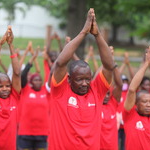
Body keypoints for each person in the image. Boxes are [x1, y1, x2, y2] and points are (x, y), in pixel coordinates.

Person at [48, 8, 115, 150]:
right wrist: (84, 32)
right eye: (79, 79)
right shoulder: (60, 91)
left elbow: (109, 66)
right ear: (69, 79)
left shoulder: (96, 91)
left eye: (88, 79)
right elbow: (60, 63)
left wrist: (97, 35)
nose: (85, 83)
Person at [123, 45, 150, 150]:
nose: (149, 105)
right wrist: (147, 63)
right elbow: (132, 89)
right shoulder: (129, 115)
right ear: (136, 104)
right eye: (144, 102)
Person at [0, 26, 21, 150]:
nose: (5, 88)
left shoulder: (14, 97)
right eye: (0, 86)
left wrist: (11, 46)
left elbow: (17, 73)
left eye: (7, 86)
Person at [17, 50, 50, 150]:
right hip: (26, 132)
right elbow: (22, 75)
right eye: (35, 80)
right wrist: (31, 60)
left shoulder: (46, 91)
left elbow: (50, 73)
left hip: (42, 133)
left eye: (40, 80)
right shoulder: (26, 90)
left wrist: (46, 60)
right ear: (31, 81)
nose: (38, 82)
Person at [100, 53, 122, 150]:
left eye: (108, 93)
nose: (106, 96)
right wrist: (106, 62)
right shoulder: (94, 103)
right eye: (103, 93)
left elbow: (119, 85)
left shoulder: (113, 103)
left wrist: (113, 65)